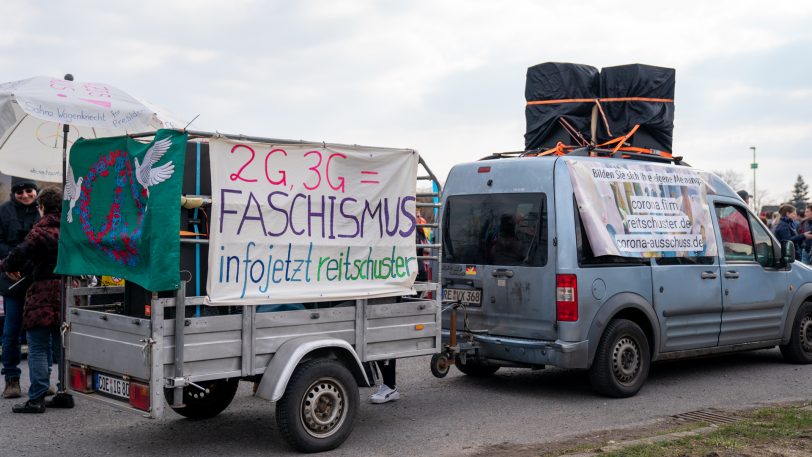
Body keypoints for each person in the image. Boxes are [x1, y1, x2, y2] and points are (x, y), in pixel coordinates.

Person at [0, 187, 63, 413]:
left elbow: (16, 256)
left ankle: (36, 398)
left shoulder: (40, 230)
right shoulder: (70, 229)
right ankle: (64, 393)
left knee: (36, 346)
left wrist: (6, 265)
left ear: (42, 206)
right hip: (66, 292)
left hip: (43, 291)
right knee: (62, 346)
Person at [0, 177, 40, 399]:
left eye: (28, 190)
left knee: (42, 331)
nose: (25, 195)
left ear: (35, 191)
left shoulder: (43, 211)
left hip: (38, 280)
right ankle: (11, 379)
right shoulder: (3, 212)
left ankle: (42, 379)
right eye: (19, 192)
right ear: (13, 193)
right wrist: (13, 258)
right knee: (11, 331)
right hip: (12, 279)